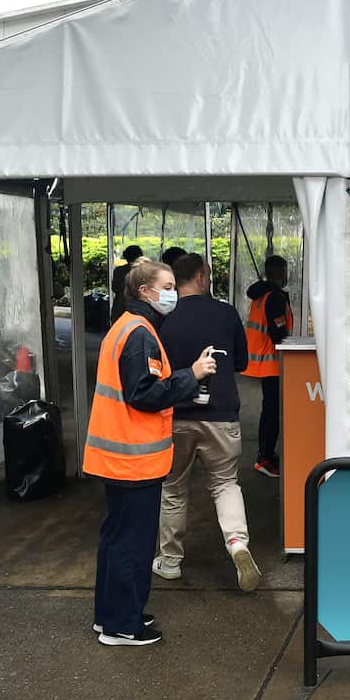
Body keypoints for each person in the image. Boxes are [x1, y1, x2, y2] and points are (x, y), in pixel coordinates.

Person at [85, 258, 219, 647]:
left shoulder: (126, 326)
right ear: (145, 291)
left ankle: (110, 615)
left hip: (119, 457)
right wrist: (190, 375)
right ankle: (123, 627)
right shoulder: (140, 333)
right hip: (133, 459)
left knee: (115, 538)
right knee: (133, 543)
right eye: (167, 286)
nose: (173, 293)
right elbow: (144, 394)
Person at [152, 253, 260, 592]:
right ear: (201, 277)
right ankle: (238, 544)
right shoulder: (226, 313)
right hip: (221, 416)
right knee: (225, 484)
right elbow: (241, 362)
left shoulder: (162, 319)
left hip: (177, 416)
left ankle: (169, 562)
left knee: (172, 488)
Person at [244, 255, 293, 477]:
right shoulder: (274, 297)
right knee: (272, 412)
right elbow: (278, 332)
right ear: (282, 272)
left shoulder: (261, 294)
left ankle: (266, 455)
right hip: (272, 362)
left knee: (269, 410)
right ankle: (265, 458)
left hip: (262, 361)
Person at [109, 244, 144, 325]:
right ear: (139, 255)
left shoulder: (119, 270)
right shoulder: (143, 271)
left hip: (120, 305)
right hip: (138, 306)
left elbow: (114, 288)